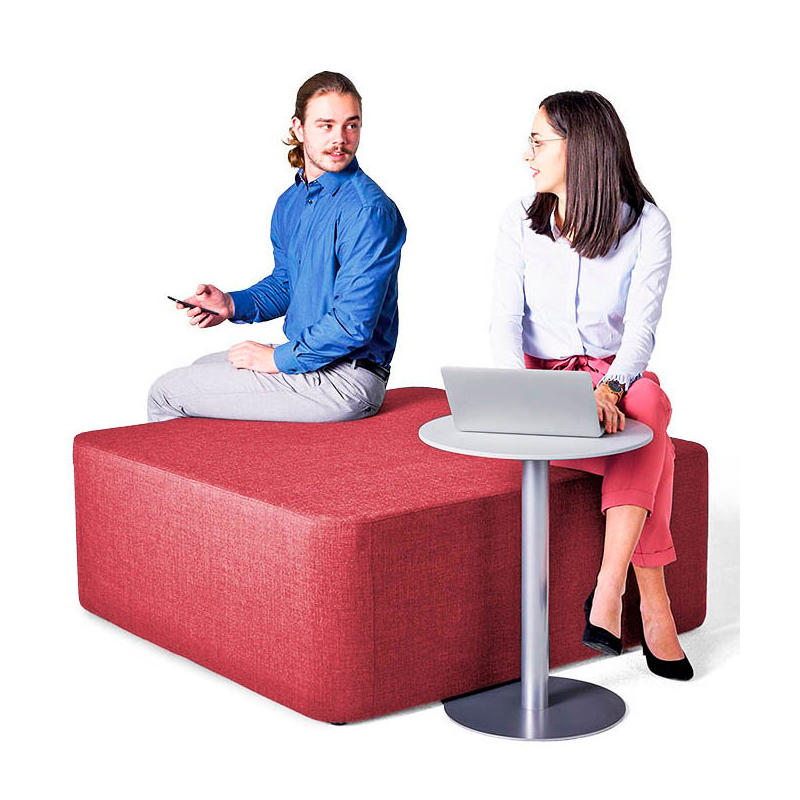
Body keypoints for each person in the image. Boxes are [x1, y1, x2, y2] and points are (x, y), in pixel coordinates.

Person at [490, 90, 693, 681]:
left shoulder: (647, 224)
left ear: (577, 148)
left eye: (537, 142)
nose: (527, 155)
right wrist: (519, 392)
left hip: (611, 377)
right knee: (658, 448)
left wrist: (611, 388)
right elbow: (504, 321)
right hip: (542, 380)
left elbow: (641, 330)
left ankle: (607, 587)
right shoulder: (519, 219)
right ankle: (653, 606)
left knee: (647, 400)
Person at [148, 71, 406, 423]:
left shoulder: (367, 211)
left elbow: (352, 324)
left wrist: (276, 359)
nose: (340, 139)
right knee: (199, 369)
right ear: (298, 128)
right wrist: (230, 304)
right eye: (326, 126)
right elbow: (287, 283)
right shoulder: (292, 202)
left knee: (166, 391)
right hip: (316, 364)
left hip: (347, 379)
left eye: (351, 125)